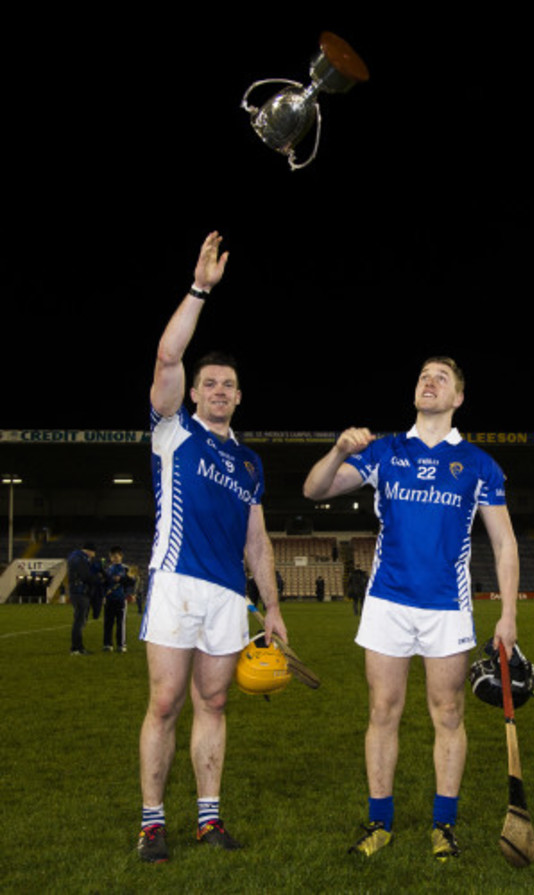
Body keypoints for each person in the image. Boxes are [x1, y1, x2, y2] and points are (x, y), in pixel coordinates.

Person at [303, 357, 519, 861]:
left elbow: (504, 543)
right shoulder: (385, 451)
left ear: (458, 398)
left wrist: (508, 614)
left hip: (447, 607)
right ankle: (379, 822)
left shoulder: (479, 464)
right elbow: (314, 490)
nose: (429, 382)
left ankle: (443, 826)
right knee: (382, 711)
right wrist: (338, 451)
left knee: (448, 712)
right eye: (424, 376)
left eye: (441, 378)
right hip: (387, 603)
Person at [137, 230, 288, 864]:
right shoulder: (173, 432)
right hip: (175, 580)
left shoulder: (250, 463)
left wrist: (273, 608)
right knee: (167, 701)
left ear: (239, 395)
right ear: (196, 392)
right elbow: (168, 357)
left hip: (229, 593)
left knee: (216, 701)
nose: (220, 390)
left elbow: (258, 542)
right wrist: (200, 289)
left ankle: (207, 818)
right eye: (211, 383)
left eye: (230, 384)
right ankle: (151, 823)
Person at [67, 541, 101, 655]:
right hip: (80, 592)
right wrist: (97, 579)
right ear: (90, 551)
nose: (94, 555)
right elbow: (85, 576)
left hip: (77, 592)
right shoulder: (80, 559)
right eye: (93, 553)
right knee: (80, 621)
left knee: (80, 620)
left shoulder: (75, 557)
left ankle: (78, 647)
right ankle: (76, 648)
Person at [103, 546, 131, 652]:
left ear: (121, 556)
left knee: (120, 623)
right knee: (108, 623)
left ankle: (121, 645)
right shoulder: (108, 569)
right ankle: (107, 644)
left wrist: (122, 579)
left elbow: (131, 582)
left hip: (120, 599)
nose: (115, 559)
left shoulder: (126, 569)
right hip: (109, 599)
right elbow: (104, 584)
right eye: (112, 557)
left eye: (116, 556)